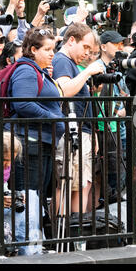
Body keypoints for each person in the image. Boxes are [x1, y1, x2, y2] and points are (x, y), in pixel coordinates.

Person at [7, 26, 65, 254]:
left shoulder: (39, 71)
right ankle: (26, 250)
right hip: (29, 144)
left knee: (36, 197)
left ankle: (33, 246)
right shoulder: (26, 70)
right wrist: (52, 118)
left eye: (53, 49)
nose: (52, 53)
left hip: (42, 143)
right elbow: (22, 103)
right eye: (48, 49)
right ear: (33, 49)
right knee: (27, 198)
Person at [52, 22, 104, 215]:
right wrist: (88, 72)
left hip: (83, 132)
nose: (88, 54)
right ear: (71, 40)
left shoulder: (72, 64)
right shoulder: (62, 61)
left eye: (91, 50)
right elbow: (63, 90)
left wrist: (93, 134)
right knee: (69, 185)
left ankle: (75, 231)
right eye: (85, 47)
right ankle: (66, 234)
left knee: (82, 185)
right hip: (71, 133)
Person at [91, 30, 129, 199]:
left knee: (120, 171)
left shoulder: (119, 67)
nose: (119, 47)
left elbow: (125, 94)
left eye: (121, 43)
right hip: (103, 127)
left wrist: (123, 109)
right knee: (105, 173)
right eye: (116, 44)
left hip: (119, 127)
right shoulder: (97, 67)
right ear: (103, 46)